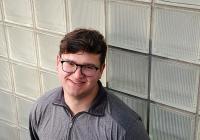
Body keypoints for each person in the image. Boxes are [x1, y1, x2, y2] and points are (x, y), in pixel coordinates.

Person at [29, 28, 150, 140]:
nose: (77, 75)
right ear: (58, 62)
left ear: (101, 70)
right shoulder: (42, 107)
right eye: (70, 63)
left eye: (88, 67)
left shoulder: (126, 126)